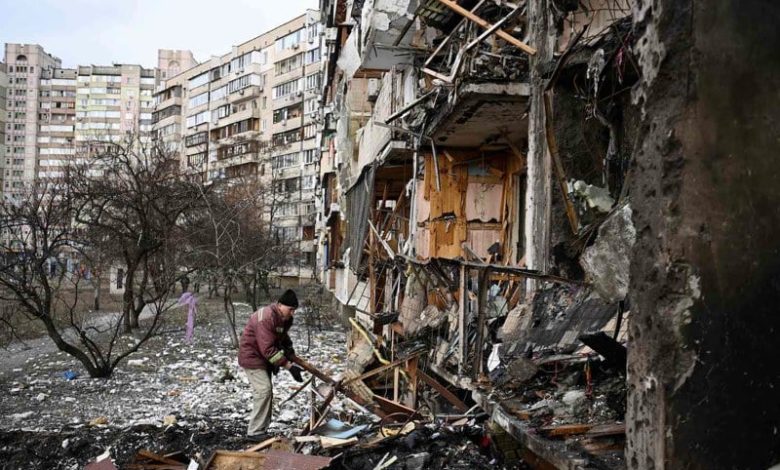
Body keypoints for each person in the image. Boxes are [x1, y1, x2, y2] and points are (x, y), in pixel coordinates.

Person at [238, 289, 306, 438]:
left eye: (294, 310)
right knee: (264, 391)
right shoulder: (267, 318)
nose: (293, 313)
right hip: (252, 356)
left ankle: (261, 429)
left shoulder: (283, 317)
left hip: (263, 358)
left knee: (266, 392)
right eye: (290, 309)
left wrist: (289, 349)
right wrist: (289, 367)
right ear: (280, 305)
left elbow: (281, 335)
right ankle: (255, 432)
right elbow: (268, 349)